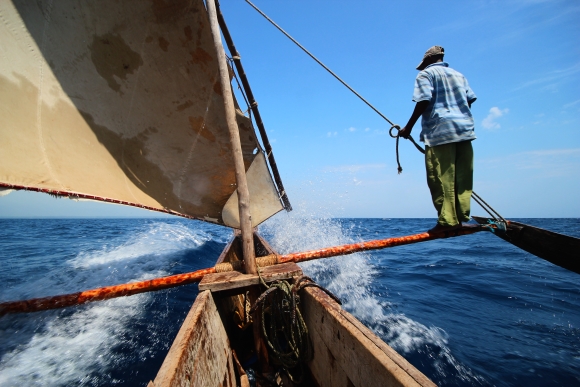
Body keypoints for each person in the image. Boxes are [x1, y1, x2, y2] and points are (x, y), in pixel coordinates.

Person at [398, 46, 477, 233]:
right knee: (462, 176)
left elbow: (424, 100)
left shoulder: (425, 75)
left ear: (426, 62)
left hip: (440, 132)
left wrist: (408, 127)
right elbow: (470, 99)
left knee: (440, 177)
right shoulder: (459, 75)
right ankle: (460, 217)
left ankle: (447, 221)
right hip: (464, 130)